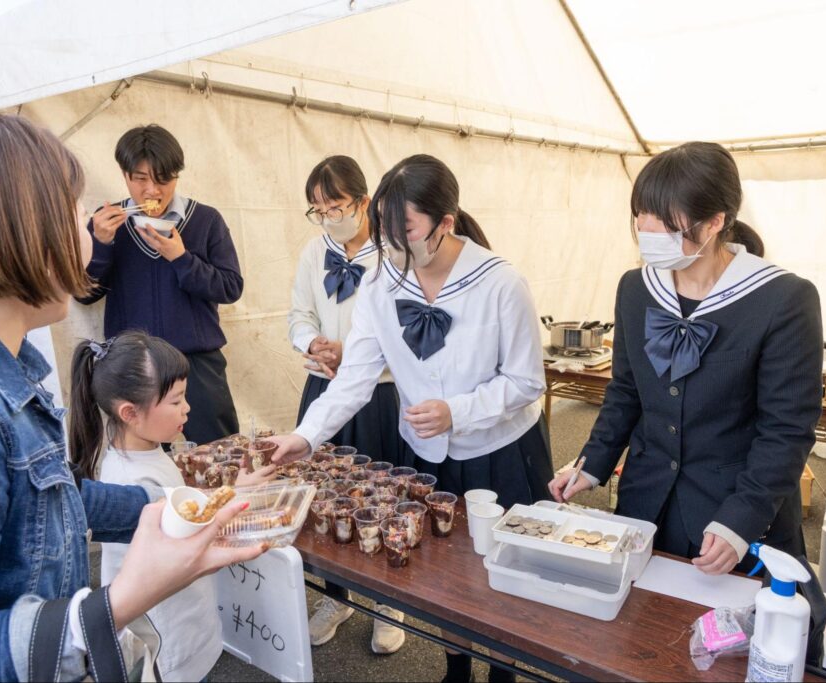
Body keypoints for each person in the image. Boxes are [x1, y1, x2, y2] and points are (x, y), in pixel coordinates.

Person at [0, 109, 264, 681]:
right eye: (75, 213)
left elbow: (48, 504)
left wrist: (195, 506)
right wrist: (119, 602)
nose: (88, 226)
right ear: (15, 229)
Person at [272, 154, 553, 683]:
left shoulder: (500, 284)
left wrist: (458, 410)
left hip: (500, 450)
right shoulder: (380, 283)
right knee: (442, 576)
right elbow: (354, 377)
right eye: (385, 230)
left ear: (445, 223)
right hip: (425, 453)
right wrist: (303, 437)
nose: (393, 245)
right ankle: (455, 667)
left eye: (406, 231)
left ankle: (504, 673)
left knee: (501, 572)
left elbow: (526, 383)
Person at [549, 141, 822, 576]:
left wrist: (742, 518)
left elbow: (787, 430)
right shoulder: (636, 289)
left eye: (664, 221)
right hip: (646, 497)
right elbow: (626, 390)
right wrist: (592, 464)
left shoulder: (782, 299)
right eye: (642, 215)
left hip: (732, 513)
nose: (647, 229)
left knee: (731, 636)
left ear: (715, 222)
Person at [67, 331, 275, 681]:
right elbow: (191, 546)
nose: (188, 408)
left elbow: (182, 511)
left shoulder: (139, 452)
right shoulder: (134, 481)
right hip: (169, 640)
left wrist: (230, 491)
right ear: (131, 413)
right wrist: (238, 502)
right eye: (176, 401)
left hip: (182, 622)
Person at [288, 156, 407, 653]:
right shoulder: (313, 253)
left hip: (379, 393)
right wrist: (312, 342)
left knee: (381, 495)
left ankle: (387, 599)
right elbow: (297, 313)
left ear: (363, 202)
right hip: (323, 392)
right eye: (317, 209)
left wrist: (355, 353)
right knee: (321, 496)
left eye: (335, 206)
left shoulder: (395, 254)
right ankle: (335, 597)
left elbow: (405, 327)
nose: (327, 217)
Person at [77, 124, 243, 444]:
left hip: (199, 366)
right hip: (133, 368)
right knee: (142, 463)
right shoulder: (105, 223)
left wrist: (181, 258)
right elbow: (84, 294)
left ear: (176, 176)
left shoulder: (206, 220)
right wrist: (100, 245)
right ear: (125, 176)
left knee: (220, 456)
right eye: (140, 178)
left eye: (162, 178)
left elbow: (230, 287)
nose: (152, 190)